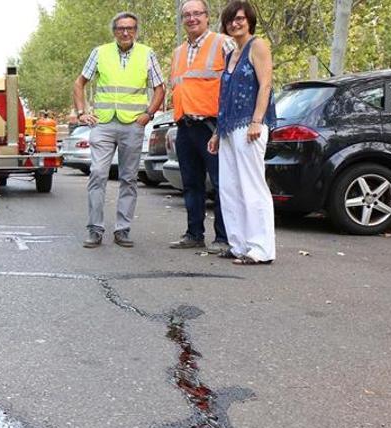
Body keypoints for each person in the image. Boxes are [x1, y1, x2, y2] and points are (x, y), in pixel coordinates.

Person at [73, 12, 166, 248]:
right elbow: (79, 82)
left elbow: (160, 88)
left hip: (132, 125)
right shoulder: (100, 52)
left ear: (136, 31)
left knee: (129, 179)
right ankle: (95, 229)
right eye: (121, 28)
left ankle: (122, 230)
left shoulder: (147, 54)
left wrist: (148, 115)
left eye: (130, 28)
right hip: (103, 124)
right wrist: (82, 112)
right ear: (114, 31)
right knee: (98, 175)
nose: (126, 32)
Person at [207, 0, 277, 265]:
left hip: (250, 126)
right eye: (230, 21)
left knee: (252, 187)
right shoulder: (230, 54)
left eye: (239, 19)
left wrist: (257, 120)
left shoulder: (257, 46)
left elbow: (266, 83)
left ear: (249, 20)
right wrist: (216, 132)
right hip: (228, 128)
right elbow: (225, 95)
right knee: (230, 188)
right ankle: (238, 244)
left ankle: (260, 248)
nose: (234, 24)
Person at [169, 0, 234, 254]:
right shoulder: (178, 52)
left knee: (220, 183)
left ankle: (223, 237)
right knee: (191, 183)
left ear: (208, 17)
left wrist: (223, 124)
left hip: (212, 126)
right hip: (185, 126)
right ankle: (194, 233)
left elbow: (234, 83)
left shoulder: (222, 43)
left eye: (197, 13)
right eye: (187, 14)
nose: (192, 18)